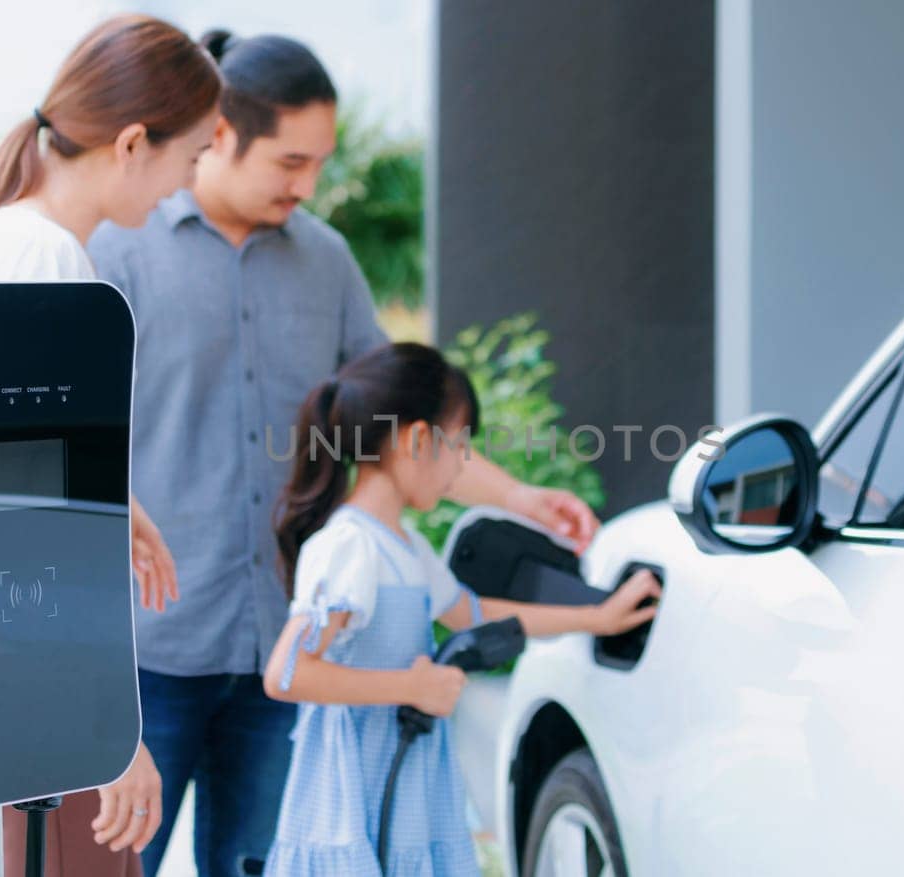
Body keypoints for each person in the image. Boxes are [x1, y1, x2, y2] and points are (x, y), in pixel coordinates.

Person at [87, 31, 603, 876]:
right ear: (219, 134)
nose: (310, 185)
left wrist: (521, 497)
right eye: (292, 162)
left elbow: (403, 429)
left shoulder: (326, 261)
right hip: (149, 650)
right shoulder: (117, 253)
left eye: (321, 162)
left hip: (287, 644)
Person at [0, 14, 222, 874]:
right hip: (44, 705)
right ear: (135, 143)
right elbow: (23, 543)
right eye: (193, 155)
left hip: (16, 695)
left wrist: (110, 503)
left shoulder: (6, 240)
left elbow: (9, 484)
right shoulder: (46, 262)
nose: (185, 186)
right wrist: (107, 731)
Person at [261, 343, 659, 875]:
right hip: (354, 798)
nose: (460, 471)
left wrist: (598, 617)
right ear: (419, 440)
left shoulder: (404, 546)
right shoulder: (349, 547)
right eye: (460, 447)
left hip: (403, 788)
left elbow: (473, 612)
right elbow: (287, 673)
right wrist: (410, 687)